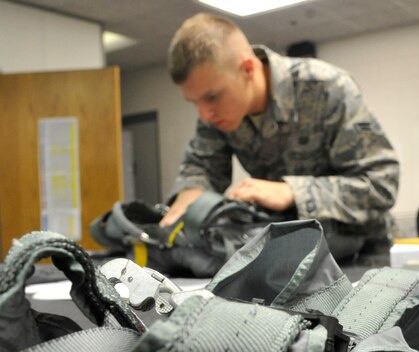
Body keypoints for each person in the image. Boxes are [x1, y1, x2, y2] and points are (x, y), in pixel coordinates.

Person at [162, 13, 399, 260]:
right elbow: (202, 167)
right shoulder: (216, 112)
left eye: (211, 97)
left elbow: (381, 184)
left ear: (248, 68)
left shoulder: (327, 88)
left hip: (359, 253)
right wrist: (192, 194)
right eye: (193, 103)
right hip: (286, 256)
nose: (204, 114)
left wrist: (293, 192)